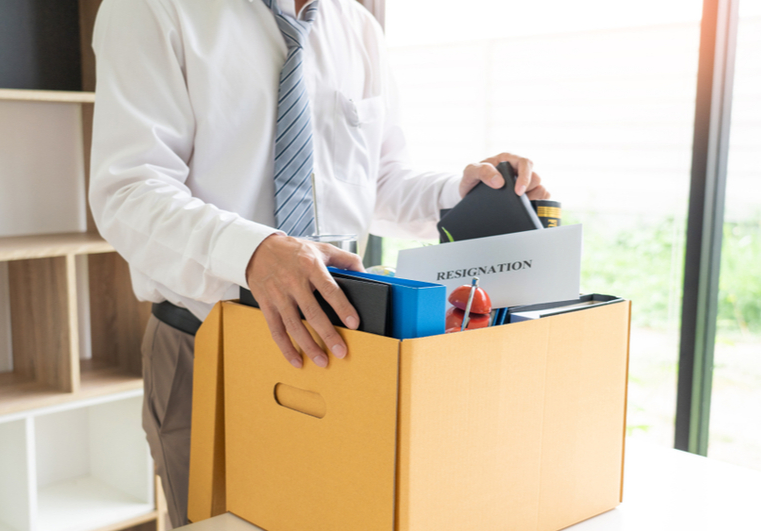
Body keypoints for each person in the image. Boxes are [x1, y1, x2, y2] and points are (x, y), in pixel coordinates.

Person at [89, 0, 550, 526]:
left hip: (345, 351)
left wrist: (459, 191)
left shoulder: (357, 27)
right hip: (207, 345)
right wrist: (255, 252)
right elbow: (128, 190)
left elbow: (378, 179)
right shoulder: (150, 7)